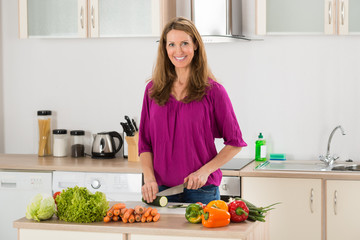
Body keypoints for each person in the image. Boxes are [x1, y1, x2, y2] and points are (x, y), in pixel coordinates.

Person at [138, 17, 247, 204]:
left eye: (184, 43)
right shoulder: (152, 91)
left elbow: (235, 142)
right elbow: (144, 144)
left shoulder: (214, 92)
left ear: (195, 45)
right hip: (161, 191)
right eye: (171, 44)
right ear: (165, 49)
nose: (178, 51)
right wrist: (149, 179)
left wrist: (205, 171)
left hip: (202, 191)